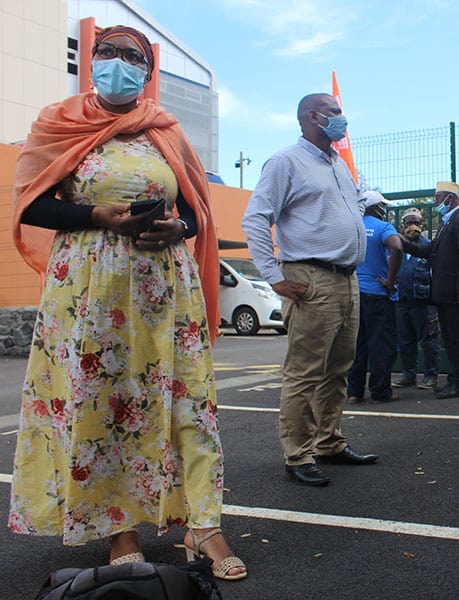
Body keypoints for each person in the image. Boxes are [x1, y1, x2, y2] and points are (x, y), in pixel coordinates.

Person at [8, 25, 246, 580]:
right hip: (91, 290)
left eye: (133, 57)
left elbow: (193, 210)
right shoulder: (58, 124)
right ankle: (120, 529)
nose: (120, 63)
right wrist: (96, 215)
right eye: (109, 53)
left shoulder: (164, 130)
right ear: (91, 61)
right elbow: (32, 205)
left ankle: (202, 525)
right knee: (106, 402)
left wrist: (174, 227)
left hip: (164, 287)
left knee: (186, 402)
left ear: (147, 70)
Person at [242, 92, 378, 488]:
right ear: (311, 117)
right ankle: (298, 453)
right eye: (335, 113)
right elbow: (255, 219)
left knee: (338, 369)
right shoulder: (287, 162)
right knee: (304, 372)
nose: (342, 119)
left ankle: (328, 442)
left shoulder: (337, 165)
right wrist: (274, 276)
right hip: (311, 278)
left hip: (345, 278)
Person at [402, 181, 459, 399]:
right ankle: (454, 379)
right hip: (444, 294)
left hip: (455, 293)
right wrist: (404, 243)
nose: (435, 201)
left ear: (449, 198)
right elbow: (429, 250)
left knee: (457, 337)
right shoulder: (446, 223)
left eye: (438, 197)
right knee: (450, 338)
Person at [347, 190, 403, 403]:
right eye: (382, 206)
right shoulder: (383, 227)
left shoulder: (353, 227)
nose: (384, 210)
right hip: (378, 295)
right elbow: (397, 247)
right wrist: (390, 279)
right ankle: (380, 391)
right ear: (375, 207)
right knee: (381, 345)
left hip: (354, 295)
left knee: (356, 345)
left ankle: (354, 392)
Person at [392, 207, 441, 390]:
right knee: (405, 341)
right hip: (402, 301)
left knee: (429, 341)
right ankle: (408, 374)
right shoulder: (396, 246)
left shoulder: (428, 246)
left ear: (422, 225)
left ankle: (431, 376)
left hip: (423, 301)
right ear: (402, 225)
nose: (413, 226)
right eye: (409, 223)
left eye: (416, 223)